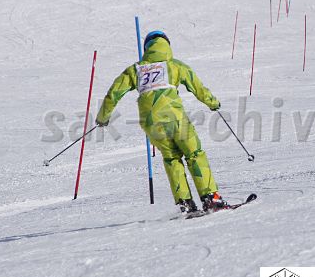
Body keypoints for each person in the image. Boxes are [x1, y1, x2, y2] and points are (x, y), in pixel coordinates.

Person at [95, 30, 225, 213]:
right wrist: (213, 103)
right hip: (175, 118)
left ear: (146, 48)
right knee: (194, 153)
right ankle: (211, 198)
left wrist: (102, 118)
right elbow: (198, 88)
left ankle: (185, 203)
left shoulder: (135, 69)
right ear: (167, 45)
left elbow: (113, 93)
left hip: (150, 122)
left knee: (171, 158)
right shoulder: (175, 65)